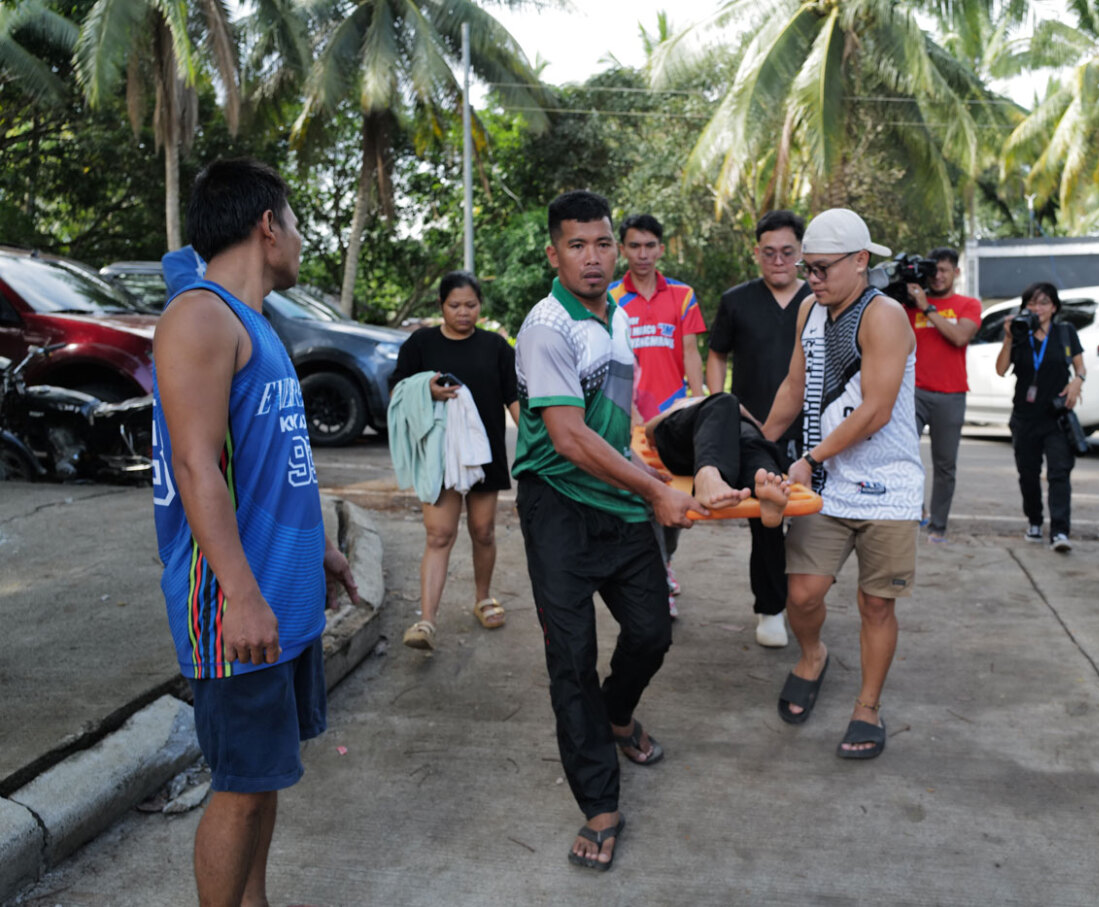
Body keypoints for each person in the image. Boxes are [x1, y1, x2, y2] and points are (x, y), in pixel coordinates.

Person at [150, 158, 360, 907]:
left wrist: (322, 546)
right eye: (296, 222)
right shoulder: (199, 316)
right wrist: (239, 595)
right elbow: (196, 465)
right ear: (268, 226)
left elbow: (278, 460)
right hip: (234, 600)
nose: (302, 239)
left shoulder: (252, 323)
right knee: (238, 786)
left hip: (278, 591)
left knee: (264, 775)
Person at [513, 190, 705, 871]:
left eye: (602, 244)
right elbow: (567, 437)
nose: (592, 258)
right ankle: (599, 803)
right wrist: (655, 491)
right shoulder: (546, 327)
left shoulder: (620, 316)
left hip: (618, 497)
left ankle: (616, 715)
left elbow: (617, 424)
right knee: (571, 656)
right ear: (553, 253)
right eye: (577, 245)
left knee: (653, 630)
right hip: (559, 504)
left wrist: (664, 468)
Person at [761, 207, 922, 761]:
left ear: (861, 261)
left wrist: (808, 457)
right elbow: (793, 386)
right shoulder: (811, 308)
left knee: (876, 604)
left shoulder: (886, 316)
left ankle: (868, 707)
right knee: (801, 594)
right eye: (808, 267)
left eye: (823, 268)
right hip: (827, 484)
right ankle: (812, 656)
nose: (812, 279)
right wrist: (756, 446)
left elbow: (876, 409)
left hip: (888, 486)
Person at [389, 271, 520, 646]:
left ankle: (482, 597)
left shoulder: (496, 346)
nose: (463, 313)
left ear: (480, 305)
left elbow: (513, 399)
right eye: (455, 306)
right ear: (441, 306)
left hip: (485, 454)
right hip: (439, 455)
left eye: (471, 305)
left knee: (483, 530)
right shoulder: (420, 343)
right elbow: (398, 389)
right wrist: (424, 390)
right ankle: (426, 621)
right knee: (439, 534)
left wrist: (532, 443)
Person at [705, 210, 812, 647]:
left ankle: (805, 601)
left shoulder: (821, 299)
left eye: (788, 252)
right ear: (756, 254)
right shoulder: (737, 300)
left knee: (809, 522)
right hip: (755, 432)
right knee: (766, 520)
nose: (779, 260)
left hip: (814, 431)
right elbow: (716, 354)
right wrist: (719, 409)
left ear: (802, 253)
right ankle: (770, 608)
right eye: (769, 252)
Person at [608, 213, 707, 617]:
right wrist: (626, 410)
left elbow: (690, 352)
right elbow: (612, 358)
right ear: (622, 250)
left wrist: (698, 402)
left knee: (673, 500)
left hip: (673, 419)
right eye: (634, 246)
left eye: (650, 246)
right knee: (640, 501)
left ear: (661, 249)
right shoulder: (612, 296)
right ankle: (654, 578)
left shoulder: (682, 295)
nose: (642, 254)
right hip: (628, 418)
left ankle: (663, 564)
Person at [995, 281, 1086, 553]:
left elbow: (1080, 366)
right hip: (1025, 417)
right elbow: (1000, 370)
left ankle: (1060, 531)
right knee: (1028, 474)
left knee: (1059, 473)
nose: (1038, 308)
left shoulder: (1066, 332)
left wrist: (1078, 381)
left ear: (1054, 307)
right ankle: (1034, 521)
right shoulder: (1021, 332)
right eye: (1032, 303)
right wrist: (1009, 337)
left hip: (1056, 416)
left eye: (1044, 302)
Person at [900, 247, 981, 543]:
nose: (938, 276)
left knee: (945, 464)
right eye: (934, 270)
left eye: (945, 270)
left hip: (951, 393)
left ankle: (939, 524)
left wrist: (928, 309)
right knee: (905, 453)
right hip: (914, 392)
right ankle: (912, 511)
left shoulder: (968, 304)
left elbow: (960, 337)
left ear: (956, 273)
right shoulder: (910, 305)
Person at [644, 392, 792, 527]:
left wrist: (743, 416)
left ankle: (765, 483)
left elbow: (754, 425)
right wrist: (676, 409)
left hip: (728, 446)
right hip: (685, 446)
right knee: (725, 401)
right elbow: (650, 431)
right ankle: (707, 475)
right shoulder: (682, 405)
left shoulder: (726, 407)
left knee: (750, 439)